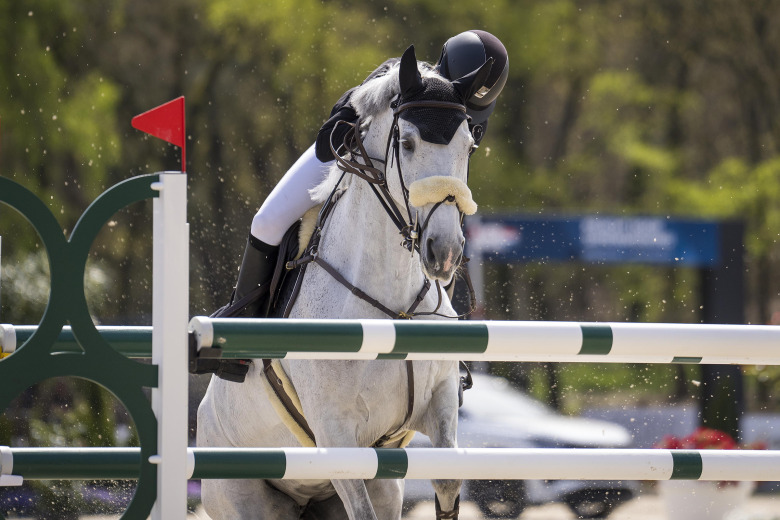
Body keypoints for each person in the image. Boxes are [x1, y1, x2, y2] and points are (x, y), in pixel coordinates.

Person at [231, 30, 509, 316]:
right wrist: (368, 119)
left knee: (444, 260)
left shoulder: (473, 122)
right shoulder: (397, 76)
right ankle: (241, 327)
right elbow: (327, 145)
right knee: (266, 223)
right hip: (344, 160)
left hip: (420, 195)